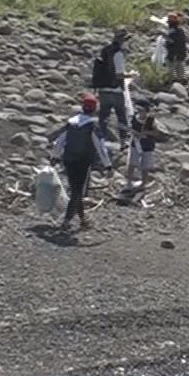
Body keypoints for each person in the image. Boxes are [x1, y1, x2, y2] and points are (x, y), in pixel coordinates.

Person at [49, 94, 111, 232]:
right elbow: (101, 147)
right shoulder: (93, 125)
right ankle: (66, 221)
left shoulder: (71, 123)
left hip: (68, 160)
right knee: (77, 192)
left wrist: (54, 157)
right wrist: (108, 165)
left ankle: (83, 220)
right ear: (94, 109)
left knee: (75, 190)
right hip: (83, 162)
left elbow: (59, 141)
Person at [89, 30, 131, 147]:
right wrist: (132, 75)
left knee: (103, 117)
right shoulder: (118, 54)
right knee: (121, 117)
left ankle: (100, 141)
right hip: (115, 90)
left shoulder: (106, 50)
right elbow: (119, 75)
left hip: (103, 90)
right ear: (123, 41)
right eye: (127, 40)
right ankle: (124, 141)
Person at [121, 97, 160, 202]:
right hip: (135, 144)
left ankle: (143, 183)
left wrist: (146, 133)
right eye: (137, 110)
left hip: (147, 146)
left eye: (141, 110)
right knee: (131, 164)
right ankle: (129, 182)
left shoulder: (151, 120)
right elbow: (129, 128)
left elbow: (156, 133)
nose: (139, 112)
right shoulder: (134, 118)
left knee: (145, 166)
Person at [162, 11, 188, 82]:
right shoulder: (179, 30)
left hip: (174, 52)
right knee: (179, 66)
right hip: (179, 52)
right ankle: (180, 79)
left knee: (172, 67)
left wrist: (165, 37)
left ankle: (171, 80)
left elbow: (173, 41)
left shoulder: (176, 31)